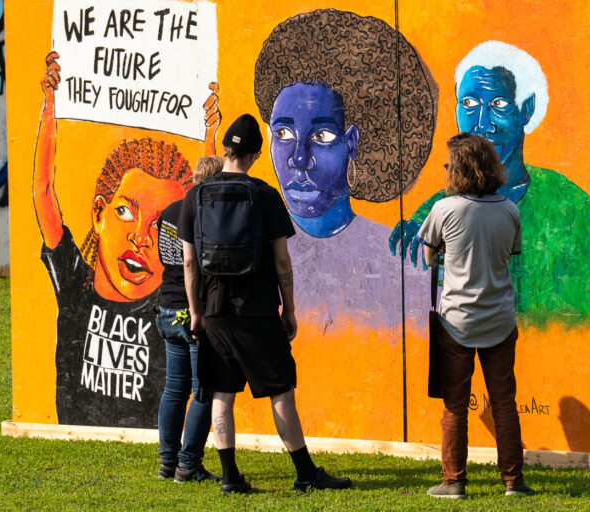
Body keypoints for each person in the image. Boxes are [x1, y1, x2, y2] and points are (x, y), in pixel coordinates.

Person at [33, 51, 221, 426]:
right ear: (99, 213)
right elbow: (43, 191)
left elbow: (204, 211)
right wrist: (50, 103)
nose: (140, 238)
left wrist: (209, 139)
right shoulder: (75, 282)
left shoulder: (167, 307)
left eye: (158, 224)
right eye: (124, 212)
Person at [178, 113, 352, 493]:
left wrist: (195, 312)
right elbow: (282, 261)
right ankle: (306, 473)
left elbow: (189, 263)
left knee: (222, 393)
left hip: (214, 312)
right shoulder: (265, 196)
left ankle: (229, 477)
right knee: (280, 392)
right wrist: (288, 308)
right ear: (257, 154)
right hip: (257, 310)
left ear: (225, 148)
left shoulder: (194, 197)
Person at [253, 9, 435, 328]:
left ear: (352, 142)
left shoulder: (401, 263)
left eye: (321, 136)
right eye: (283, 134)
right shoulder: (248, 250)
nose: (298, 159)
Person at [390, 41, 590, 325]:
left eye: (498, 104)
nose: (481, 124)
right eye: (469, 104)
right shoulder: (435, 209)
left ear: (527, 109)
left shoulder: (571, 208)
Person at [418, 133, 532, 499]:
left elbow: (428, 257)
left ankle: (454, 482)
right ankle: (513, 482)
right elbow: (510, 253)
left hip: (456, 322)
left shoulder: (445, 210)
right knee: (504, 402)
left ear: (460, 169)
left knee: (455, 404)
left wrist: (444, 255)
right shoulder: (510, 209)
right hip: (499, 319)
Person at [156, 156, 224, 482]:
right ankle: (189, 464)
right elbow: (191, 265)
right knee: (203, 391)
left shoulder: (171, 211)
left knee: (174, 389)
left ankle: (167, 463)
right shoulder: (205, 213)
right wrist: (199, 311)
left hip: (167, 308)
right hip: (192, 313)